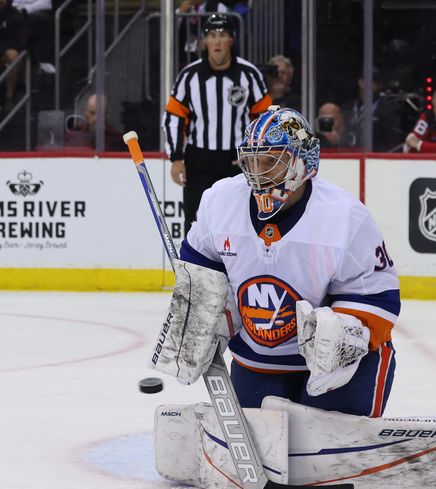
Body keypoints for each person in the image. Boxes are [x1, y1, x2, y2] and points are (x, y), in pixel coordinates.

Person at [152, 106, 400, 416]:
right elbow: (201, 269)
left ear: (303, 160)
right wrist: (201, 312)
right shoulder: (220, 201)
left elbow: (378, 297)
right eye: (252, 160)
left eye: (271, 161)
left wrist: (340, 335)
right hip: (260, 360)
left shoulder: (345, 217)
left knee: (324, 451)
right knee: (256, 444)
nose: (258, 172)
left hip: (340, 371)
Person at [163, 13, 271, 235]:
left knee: (241, 221)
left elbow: (265, 118)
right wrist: (175, 158)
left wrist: (254, 153)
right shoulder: (189, 76)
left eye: (222, 35)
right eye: (212, 35)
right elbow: (174, 117)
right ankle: (194, 270)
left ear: (231, 40)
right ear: (204, 42)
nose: (217, 41)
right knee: (196, 221)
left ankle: (239, 270)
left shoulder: (249, 75)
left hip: (237, 160)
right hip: (199, 159)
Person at [340, 68, 404, 152]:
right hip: (349, 157)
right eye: (363, 80)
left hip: (376, 159)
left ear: (379, 85)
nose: (366, 84)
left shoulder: (388, 110)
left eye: (372, 81)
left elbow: (393, 140)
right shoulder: (347, 107)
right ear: (359, 82)